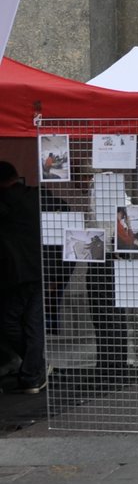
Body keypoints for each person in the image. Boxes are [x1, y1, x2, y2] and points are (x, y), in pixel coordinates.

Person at [0, 162, 46, 395]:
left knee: (10, 322)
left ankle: (33, 371)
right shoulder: (37, 197)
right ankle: (33, 372)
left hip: (15, 274)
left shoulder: (5, 202)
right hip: (41, 270)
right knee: (33, 324)